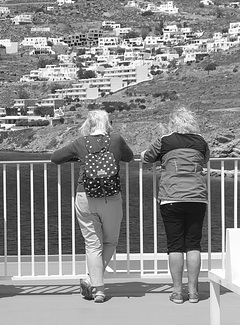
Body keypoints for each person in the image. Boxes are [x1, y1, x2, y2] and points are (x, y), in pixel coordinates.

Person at [51, 110, 133, 303]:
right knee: (110, 242)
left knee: (92, 244)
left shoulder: (81, 142)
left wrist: (78, 158)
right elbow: (129, 157)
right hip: (111, 197)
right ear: (107, 124)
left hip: (85, 195)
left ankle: (98, 288)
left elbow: (55, 158)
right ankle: (92, 282)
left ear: (88, 124)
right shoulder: (116, 139)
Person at [141, 107, 209, 304]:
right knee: (194, 245)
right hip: (197, 197)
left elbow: (146, 158)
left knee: (175, 246)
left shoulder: (165, 140)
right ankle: (194, 292)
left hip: (171, 197)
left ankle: (178, 292)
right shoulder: (201, 141)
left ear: (173, 123)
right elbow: (205, 160)